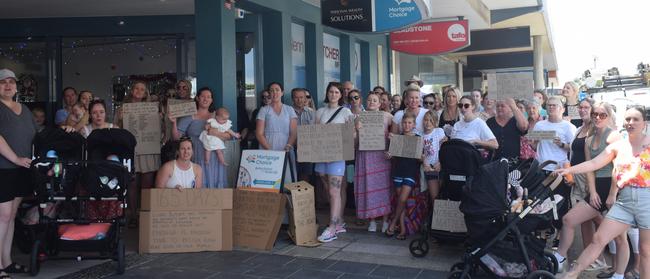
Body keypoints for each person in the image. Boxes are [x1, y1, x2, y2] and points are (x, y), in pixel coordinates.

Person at [555, 106, 649, 279]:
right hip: (625, 201)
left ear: (644, 122)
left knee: (645, 251)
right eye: (627, 119)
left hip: (646, 200)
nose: (631, 122)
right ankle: (571, 274)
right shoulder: (618, 146)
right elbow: (593, 164)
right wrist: (569, 170)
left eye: (636, 119)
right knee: (599, 238)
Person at [554, 101, 622, 273]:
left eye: (602, 115)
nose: (597, 118)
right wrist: (592, 192)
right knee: (569, 220)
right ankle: (559, 258)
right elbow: (590, 167)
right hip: (597, 187)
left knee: (620, 238)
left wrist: (613, 193)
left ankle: (620, 272)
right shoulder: (589, 139)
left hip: (613, 186)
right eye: (595, 114)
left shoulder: (613, 136)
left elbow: (618, 167)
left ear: (609, 116)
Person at [0, 69, 37, 276]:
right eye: (2, 82)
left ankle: (7, 262)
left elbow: (35, 137)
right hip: (3, 169)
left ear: (16, 86)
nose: (7, 86)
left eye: (11, 82)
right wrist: (14, 159)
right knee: (2, 216)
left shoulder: (24, 109)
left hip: (22, 170)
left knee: (11, 216)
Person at [114, 80, 160, 227]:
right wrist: (121, 119)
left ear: (146, 92)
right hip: (130, 150)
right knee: (132, 183)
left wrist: (159, 118)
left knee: (147, 184)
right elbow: (115, 129)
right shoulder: (122, 108)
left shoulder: (153, 108)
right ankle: (133, 215)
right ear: (131, 91)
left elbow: (161, 129)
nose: (139, 91)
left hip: (148, 149)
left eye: (143, 89)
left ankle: (145, 215)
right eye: (137, 88)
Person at [530, 96, 577, 232]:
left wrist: (561, 144)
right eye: (549, 105)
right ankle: (543, 232)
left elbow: (574, 148)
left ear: (562, 109)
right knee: (540, 203)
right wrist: (531, 142)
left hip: (558, 171)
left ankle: (559, 233)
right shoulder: (540, 125)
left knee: (559, 204)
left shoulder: (568, 127)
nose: (551, 107)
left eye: (554, 105)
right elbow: (534, 145)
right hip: (541, 169)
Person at [316, 82, 354, 243]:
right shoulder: (320, 112)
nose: (333, 94)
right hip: (321, 156)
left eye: (336, 92)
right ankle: (337, 221)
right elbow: (315, 133)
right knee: (327, 189)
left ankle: (332, 228)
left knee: (334, 192)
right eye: (331, 91)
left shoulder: (346, 112)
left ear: (340, 95)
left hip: (337, 156)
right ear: (327, 93)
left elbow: (352, 135)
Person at [172, 87, 231, 188]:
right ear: (197, 98)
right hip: (197, 155)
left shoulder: (217, 115)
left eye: (208, 97)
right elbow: (176, 137)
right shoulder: (189, 116)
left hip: (215, 156)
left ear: (211, 100)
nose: (205, 99)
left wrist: (215, 133)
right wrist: (173, 122)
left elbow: (228, 135)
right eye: (203, 96)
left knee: (216, 182)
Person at [354, 93, 393, 233]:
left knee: (384, 189)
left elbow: (396, 135)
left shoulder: (388, 117)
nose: (372, 102)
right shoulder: (359, 117)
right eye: (369, 99)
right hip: (365, 157)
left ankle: (385, 220)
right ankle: (371, 220)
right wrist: (356, 131)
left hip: (382, 157)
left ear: (379, 103)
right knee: (369, 188)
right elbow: (354, 143)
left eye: (375, 100)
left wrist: (391, 141)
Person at [385, 113, 420, 240]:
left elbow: (421, 158)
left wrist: (421, 157)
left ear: (414, 125)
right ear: (401, 124)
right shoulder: (397, 138)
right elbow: (393, 156)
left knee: (403, 199)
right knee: (400, 199)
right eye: (405, 123)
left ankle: (393, 223)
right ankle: (403, 229)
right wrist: (389, 155)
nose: (407, 125)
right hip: (398, 172)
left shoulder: (417, 138)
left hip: (410, 173)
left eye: (410, 123)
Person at [255, 82, 298, 176]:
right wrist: (270, 150)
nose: (274, 92)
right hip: (267, 148)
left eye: (277, 90)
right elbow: (259, 134)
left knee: (287, 178)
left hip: (286, 147)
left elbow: (294, 132)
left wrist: (288, 146)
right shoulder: (264, 110)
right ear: (269, 93)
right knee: (268, 178)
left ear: (282, 92)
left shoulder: (289, 109)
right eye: (272, 90)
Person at [421, 110, 447, 208]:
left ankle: (438, 219)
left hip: (440, 166)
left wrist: (440, 162)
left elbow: (444, 148)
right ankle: (434, 219)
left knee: (442, 195)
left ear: (435, 122)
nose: (428, 123)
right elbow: (421, 153)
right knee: (434, 197)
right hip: (429, 168)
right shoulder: (421, 135)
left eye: (431, 120)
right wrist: (425, 164)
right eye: (426, 120)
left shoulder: (439, 131)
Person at [292, 88, 315, 182]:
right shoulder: (287, 112)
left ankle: (303, 197)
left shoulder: (312, 113)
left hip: (307, 150)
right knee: (291, 175)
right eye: (296, 97)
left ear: (305, 98)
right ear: (292, 99)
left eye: (301, 97)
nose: (299, 100)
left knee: (305, 178)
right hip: (291, 149)